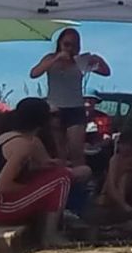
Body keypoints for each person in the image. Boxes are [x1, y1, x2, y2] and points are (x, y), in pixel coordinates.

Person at [0, 98, 88, 243]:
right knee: (62, 178)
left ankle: (49, 226)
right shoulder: (23, 145)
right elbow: (2, 185)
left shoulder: (8, 136)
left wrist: (41, 179)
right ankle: (50, 235)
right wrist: (37, 189)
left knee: (55, 177)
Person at [31, 27, 111, 165]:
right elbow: (34, 73)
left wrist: (99, 60)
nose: (70, 48)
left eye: (74, 45)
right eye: (66, 44)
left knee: (76, 150)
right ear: (60, 43)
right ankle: (62, 175)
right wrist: (56, 58)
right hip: (55, 108)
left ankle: (79, 174)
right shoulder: (50, 58)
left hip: (75, 108)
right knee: (59, 151)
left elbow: (106, 72)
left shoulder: (80, 61)